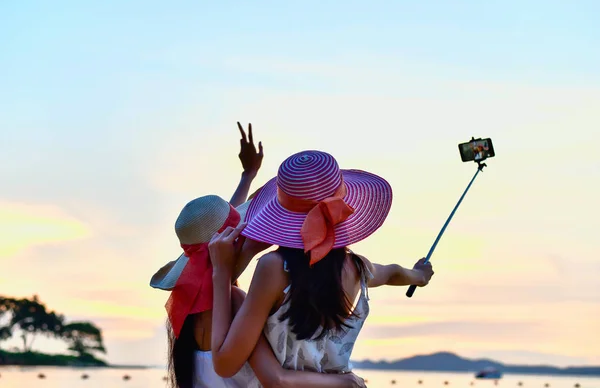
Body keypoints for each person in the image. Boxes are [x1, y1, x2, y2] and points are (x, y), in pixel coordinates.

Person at [150, 126, 366, 388]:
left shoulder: (188, 311)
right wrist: (346, 383)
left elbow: (219, 236)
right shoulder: (234, 302)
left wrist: (247, 175)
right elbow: (276, 379)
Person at [209, 150, 435, 377]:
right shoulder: (356, 268)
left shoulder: (274, 268)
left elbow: (225, 364)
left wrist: (221, 272)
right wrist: (420, 276)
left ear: (281, 216)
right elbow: (392, 273)